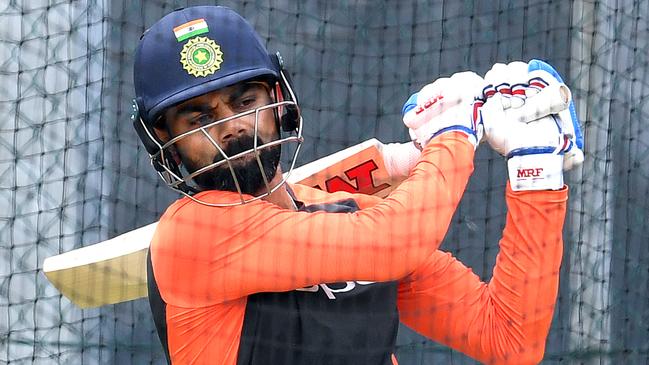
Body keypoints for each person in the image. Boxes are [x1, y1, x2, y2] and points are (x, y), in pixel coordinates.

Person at [132, 5, 580, 365]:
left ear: (277, 101)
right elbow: (395, 240)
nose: (228, 128)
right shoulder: (191, 235)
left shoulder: (345, 212)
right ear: (166, 144)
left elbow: (508, 339)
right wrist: (453, 134)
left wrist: (535, 174)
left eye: (243, 101)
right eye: (199, 119)